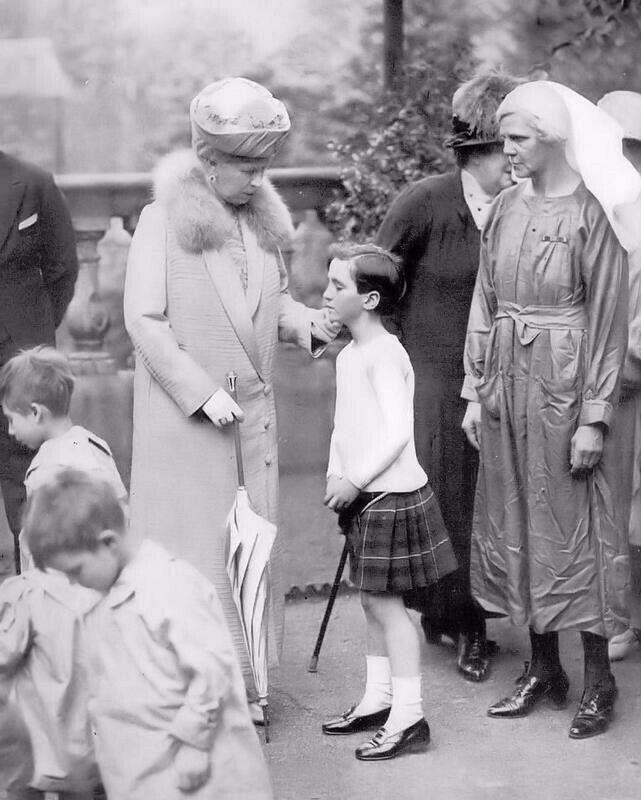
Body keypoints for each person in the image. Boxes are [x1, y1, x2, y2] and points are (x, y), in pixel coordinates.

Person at [123, 78, 339, 713]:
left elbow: (271, 305)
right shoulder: (162, 222)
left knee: (248, 554)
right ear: (207, 159)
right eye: (247, 167)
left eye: (263, 167)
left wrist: (308, 325)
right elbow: (144, 320)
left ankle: (248, 686)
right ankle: (186, 689)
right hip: (187, 429)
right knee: (194, 559)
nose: (257, 180)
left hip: (251, 426)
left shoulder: (260, 223)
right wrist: (198, 391)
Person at [462, 80, 641, 739]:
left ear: (554, 140)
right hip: (507, 384)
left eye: (518, 138)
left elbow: (609, 320)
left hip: (567, 386)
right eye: (504, 138)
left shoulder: (593, 213)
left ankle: (599, 681)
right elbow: (484, 300)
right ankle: (543, 669)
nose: (505, 149)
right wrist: (473, 390)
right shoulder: (505, 207)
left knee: (581, 530)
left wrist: (594, 415)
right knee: (517, 517)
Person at [376, 71, 521, 682]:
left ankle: (471, 611)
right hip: (434, 374)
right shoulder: (425, 202)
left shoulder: (521, 206)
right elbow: (375, 280)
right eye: (504, 148)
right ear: (477, 149)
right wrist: (385, 358)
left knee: (495, 498)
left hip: (503, 373)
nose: (513, 161)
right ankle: (462, 622)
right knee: (450, 494)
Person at [23, 468, 273, 800]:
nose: (73, 582)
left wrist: (194, 743)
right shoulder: (102, 595)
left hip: (201, 770)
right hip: (144, 770)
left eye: (75, 571)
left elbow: (212, 670)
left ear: (108, 543)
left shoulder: (168, 585)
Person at [320, 244, 457, 761]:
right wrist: (336, 472)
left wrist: (355, 480)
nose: (327, 294)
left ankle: (410, 716)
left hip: (390, 495)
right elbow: (344, 427)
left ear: (370, 299)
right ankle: (379, 700)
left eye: (338, 286)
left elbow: (398, 431)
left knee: (388, 606)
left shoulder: (385, 353)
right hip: (364, 495)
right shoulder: (349, 355)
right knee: (370, 600)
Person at [0, 151, 78, 572]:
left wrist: (33, 330)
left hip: (20, 356)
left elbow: (62, 267)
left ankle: (35, 590)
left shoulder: (32, 181)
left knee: (27, 477)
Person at [0, 345, 127, 569]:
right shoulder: (93, 443)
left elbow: (43, 547)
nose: (10, 430)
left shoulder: (46, 469)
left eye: (12, 419)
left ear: (36, 413)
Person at [596, 90, 641, 662]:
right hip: (613, 370)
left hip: (626, 371)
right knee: (615, 498)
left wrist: (628, 360)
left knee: (623, 497)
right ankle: (618, 618)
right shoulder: (606, 206)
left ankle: (622, 620)